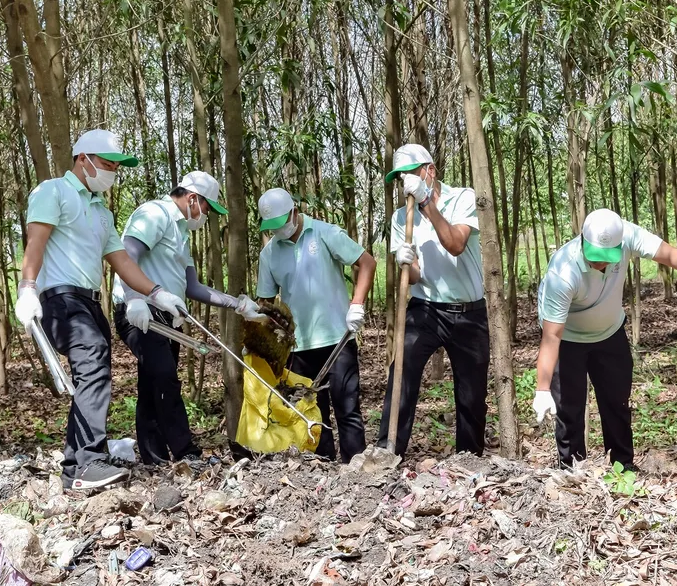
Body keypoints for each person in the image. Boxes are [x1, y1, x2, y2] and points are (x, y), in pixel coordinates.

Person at [14, 130, 186, 491]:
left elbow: (121, 261)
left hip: (91, 302)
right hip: (61, 299)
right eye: (106, 165)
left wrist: (156, 293)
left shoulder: (102, 212)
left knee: (95, 374)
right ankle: (88, 462)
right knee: (92, 362)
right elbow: (36, 241)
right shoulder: (53, 192)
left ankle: (75, 465)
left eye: (114, 167)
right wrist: (27, 288)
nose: (110, 173)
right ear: (83, 160)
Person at [533, 208, 677, 471]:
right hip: (568, 340)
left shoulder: (625, 235)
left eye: (606, 257)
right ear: (582, 241)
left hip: (609, 334)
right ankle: (571, 470)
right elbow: (551, 335)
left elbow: (667, 254)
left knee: (616, 403)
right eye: (595, 257)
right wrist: (542, 389)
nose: (601, 263)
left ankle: (623, 468)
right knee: (569, 409)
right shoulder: (562, 273)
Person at [112, 171, 267, 466]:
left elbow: (193, 287)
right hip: (140, 311)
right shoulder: (154, 214)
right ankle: (187, 453)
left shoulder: (181, 233)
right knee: (165, 379)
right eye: (207, 208)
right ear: (193, 199)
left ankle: (153, 459)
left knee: (153, 383)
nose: (206, 216)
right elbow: (126, 255)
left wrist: (238, 305)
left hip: (165, 315)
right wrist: (134, 300)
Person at [379, 144, 488, 457]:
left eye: (411, 173)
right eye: (400, 177)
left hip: (469, 313)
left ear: (430, 170)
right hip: (425, 309)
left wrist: (426, 202)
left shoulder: (462, 198)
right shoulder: (401, 218)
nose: (405, 182)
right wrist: (403, 261)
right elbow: (413, 277)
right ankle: (388, 451)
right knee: (403, 372)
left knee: (471, 393)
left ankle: (470, 460)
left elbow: (455, 244)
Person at [255, 187, 376, 463]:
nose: (278, 231)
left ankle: (355, 467)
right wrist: (265, 320)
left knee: (347, 406)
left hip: (338, 338)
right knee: (309, 411)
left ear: (295, 212)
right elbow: (265, 300)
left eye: (281, 223)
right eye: (272, 227)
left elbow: (366, 262)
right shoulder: (269, 253)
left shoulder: (325, 233)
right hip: (297, 346)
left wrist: (357, 304)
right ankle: (321, 467)